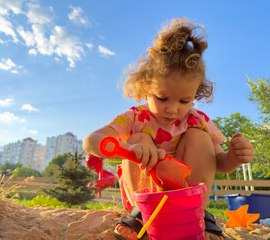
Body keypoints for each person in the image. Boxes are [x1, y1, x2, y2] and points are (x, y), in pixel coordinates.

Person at [83, 17, 254, 240]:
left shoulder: (197, 120)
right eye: (162, 98)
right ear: (146, 86)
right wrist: (127, 148)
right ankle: (142, 217)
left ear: (196, 95)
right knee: (139, 138)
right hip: (144, 196)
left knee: (199, 138)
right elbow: (91, 141)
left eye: (184, 101)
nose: (172, 109)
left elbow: (218, 163)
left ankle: (196, 212)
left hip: (185, 199)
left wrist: (233, 158)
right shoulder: (135, 117)